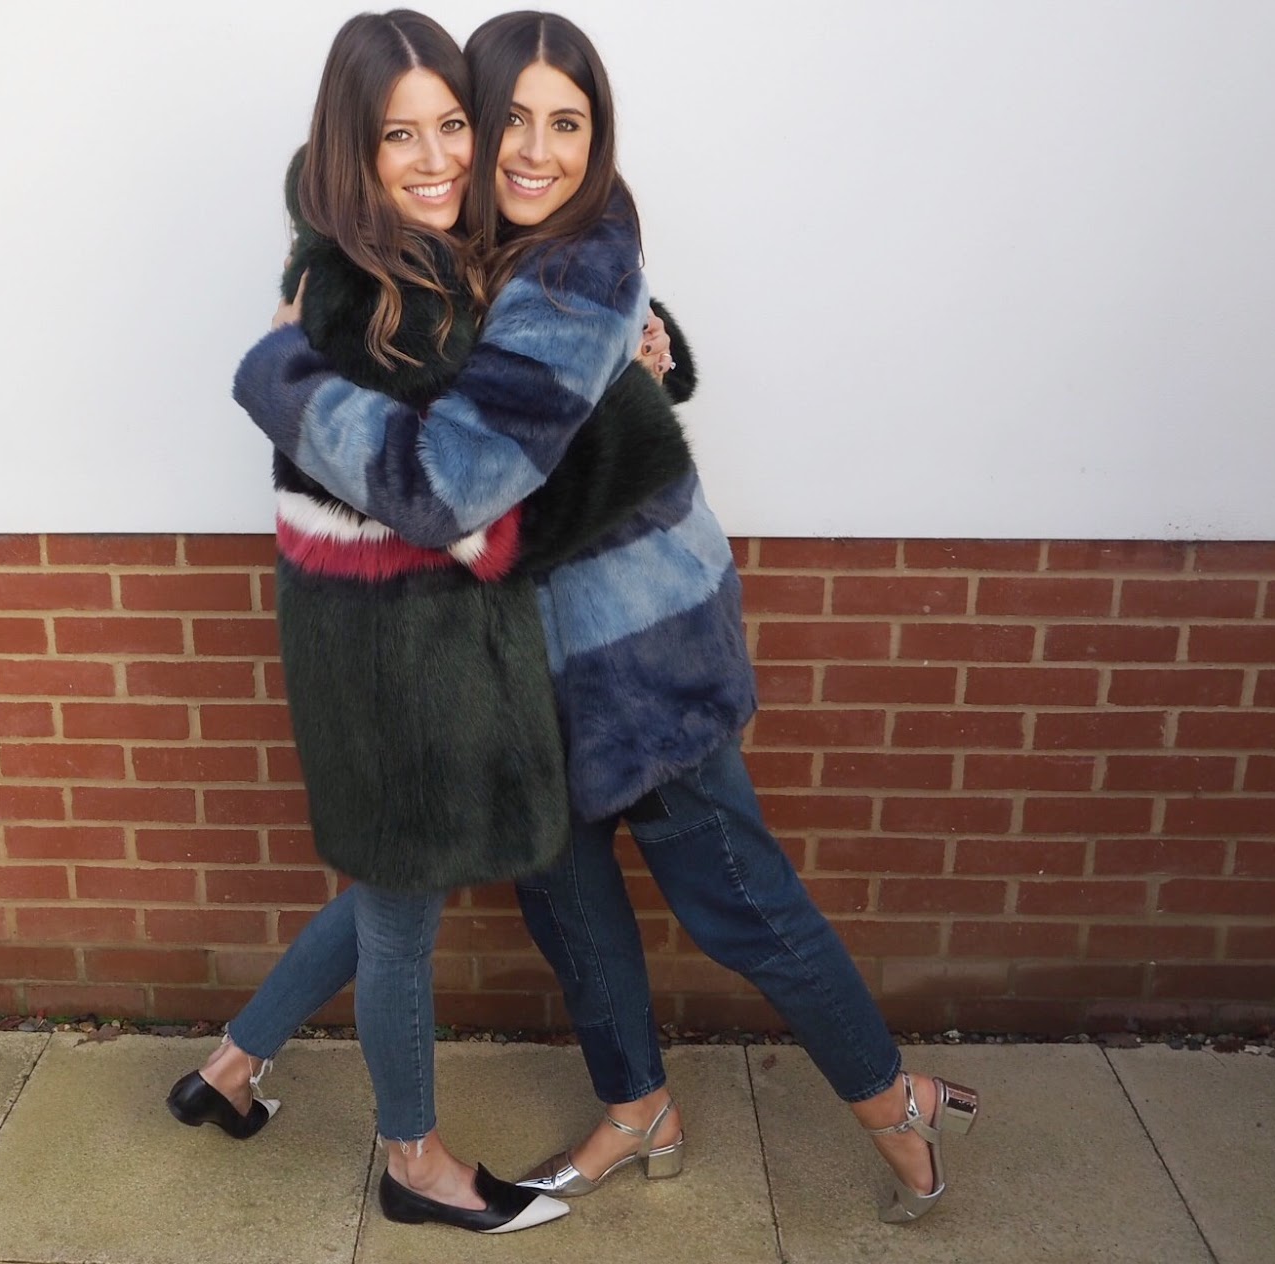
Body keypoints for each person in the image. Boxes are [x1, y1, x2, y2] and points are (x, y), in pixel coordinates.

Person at [232, 9, 981, 1227]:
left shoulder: (574, 264)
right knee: (569, 908)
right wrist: (651, 359)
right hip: (528, 659)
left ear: (599, 136)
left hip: (637, 656)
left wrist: (280, 377)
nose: (536, 152)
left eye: (568, 124)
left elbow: (453, 481)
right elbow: (508, 362)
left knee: (737, 900)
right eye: (509, 121)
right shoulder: (480, 244)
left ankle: (893, 1100)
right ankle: (637, 1107)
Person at [168, 11, 574, 1234]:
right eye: (401, 135)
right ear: (355, 146)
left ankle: (230, 1067)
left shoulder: (375, 262)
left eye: (452, 124)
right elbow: (465, 510)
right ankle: (415, 1162)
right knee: (401, 916)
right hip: (403, 650)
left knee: (395, 885)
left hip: (374, 635)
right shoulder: (374, 289)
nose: (438, 158)